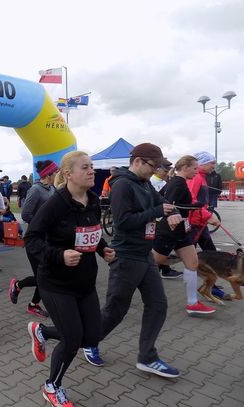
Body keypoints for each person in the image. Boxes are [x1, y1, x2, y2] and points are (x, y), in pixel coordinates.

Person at [25, 151, 115, 407]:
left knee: (92, 336)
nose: (92, 171)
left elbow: (91, 231)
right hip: (56, 283)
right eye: (85, 167)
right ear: (68, 174)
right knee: (72, 339)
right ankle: (52, 386)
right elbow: (31, 239)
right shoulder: (55, 204)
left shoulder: (93, 200)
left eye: (92, 166)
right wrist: (59, 255)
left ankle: (42, 331)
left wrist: (102, 249)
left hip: (84, 282)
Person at [83, 143, 181, 379]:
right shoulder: (122, 185)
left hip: (145, 255)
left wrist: (173, 212)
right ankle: (89, 341)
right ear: (137, 161)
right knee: (116, 310)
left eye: (158, 167)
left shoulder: (145, 183)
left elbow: (161, 204)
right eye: (153, 166)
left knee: (158, 305)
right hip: (126, 256)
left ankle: (147, 357)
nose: (156, 170)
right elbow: (123, 222)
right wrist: (157, 212)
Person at [152, 155, 216, 315]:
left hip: (182, 231)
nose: (196, 171)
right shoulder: (177, 183)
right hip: (169, 231)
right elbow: (167, 203)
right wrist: (192, 207)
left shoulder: (178, 182)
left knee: (192, 263)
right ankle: (124, 282)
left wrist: (194, 206)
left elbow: (167, 199)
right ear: (185, 167)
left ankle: (192, 303)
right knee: (150, 264)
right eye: (194, 168)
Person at [9, 160, 58, 318]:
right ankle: (19, 287)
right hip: (35, 240)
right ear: (48, 174)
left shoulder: (52, 189)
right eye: (55, 172)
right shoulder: (36, 190)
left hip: (48, 239)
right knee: (43, 276)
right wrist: (43, 224)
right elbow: (25, 214)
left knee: (46, 275)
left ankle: (32, 303)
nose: (57, 174)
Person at [150, 161, 183, 279]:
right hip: (155, 219)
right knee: (157, 246)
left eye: (168, 171)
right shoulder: (151, 182)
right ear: (158, 169)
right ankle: (159, 270)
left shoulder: (164, 182)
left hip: (164, 218)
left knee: (161, 246)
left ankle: (164, 269)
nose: (166, 173)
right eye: (165, 171)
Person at [187, 151, 221, 251]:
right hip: (193, 222)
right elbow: (190, 198)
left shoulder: (201, 177)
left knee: (210, 252)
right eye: (212, 163)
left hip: (200, 221)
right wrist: (208, 216)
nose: (214, 166)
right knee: (190, 254)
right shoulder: (195, 177)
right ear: (202, 163)